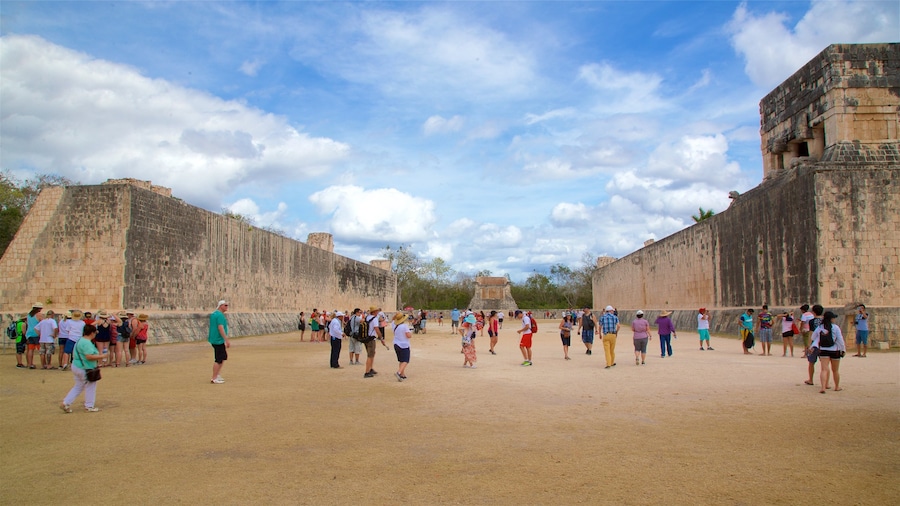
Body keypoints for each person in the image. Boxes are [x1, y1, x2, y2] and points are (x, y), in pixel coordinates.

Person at [60, 323, 106, 413]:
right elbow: (89, 356)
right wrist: (102, 356)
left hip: (77, 365)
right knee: (90, 386)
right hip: (85, 367)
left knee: (78, 386)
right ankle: (89, 405)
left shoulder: (79, 340)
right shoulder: (87, 343)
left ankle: (66, 402)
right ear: (92, 333)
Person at [811, 311, 846, 394]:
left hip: (824, 350)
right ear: (831, 319)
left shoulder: (820, 327)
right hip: (835, 350)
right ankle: (837, 386)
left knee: (824, 369)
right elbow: (840, 340)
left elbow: (813, 337)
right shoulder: (836, 327)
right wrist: (843, 349)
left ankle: (823, 387)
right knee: (835, 370)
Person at [208, 300, 230, 384]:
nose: (227, 307)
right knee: (219, 359)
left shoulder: (214, 314)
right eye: (225, 305)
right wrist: (226, 339)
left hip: (214, 338)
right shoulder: (220, 316)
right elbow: (220, 327)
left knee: (223, 356)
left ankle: (217, 374)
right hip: (218, 340)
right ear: (221, 306)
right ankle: (214, 377)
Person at [804, 304, 825, 387]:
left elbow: (811, 333)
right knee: (824, 364)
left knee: (811, 362)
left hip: (815, 344)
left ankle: (811, 379)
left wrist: (809, 345)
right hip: (824, 344)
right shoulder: (825, 320)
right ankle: (825, 381)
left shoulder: (812, 321)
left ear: (813, 312)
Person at [391, 312, 412, 380]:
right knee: (405, 360)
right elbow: (408, 335)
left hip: (396, 343)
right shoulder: (404, 326)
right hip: (404, 345)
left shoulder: (394, 325)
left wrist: (396, 316)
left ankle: (402, 374)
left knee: (401, 360)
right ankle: (399, 372)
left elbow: (392, 319)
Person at [25, 302, 44, 369]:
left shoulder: (29, 315)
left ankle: (30, 364)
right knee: (41, 350)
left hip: (29, 333)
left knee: (30, 349)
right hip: (36, 333)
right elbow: (43, 323)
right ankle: (43, 364)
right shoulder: (39, 315)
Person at [363, 307, 381, 378]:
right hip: (371, 338)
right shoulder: (375, 319)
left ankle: (370, 368)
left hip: (366, 338)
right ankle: (367, 372)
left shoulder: (367, 317)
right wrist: (380, 336)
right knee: (370, 355)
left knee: (371, 353)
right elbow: (376, 328)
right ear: (374, 312)